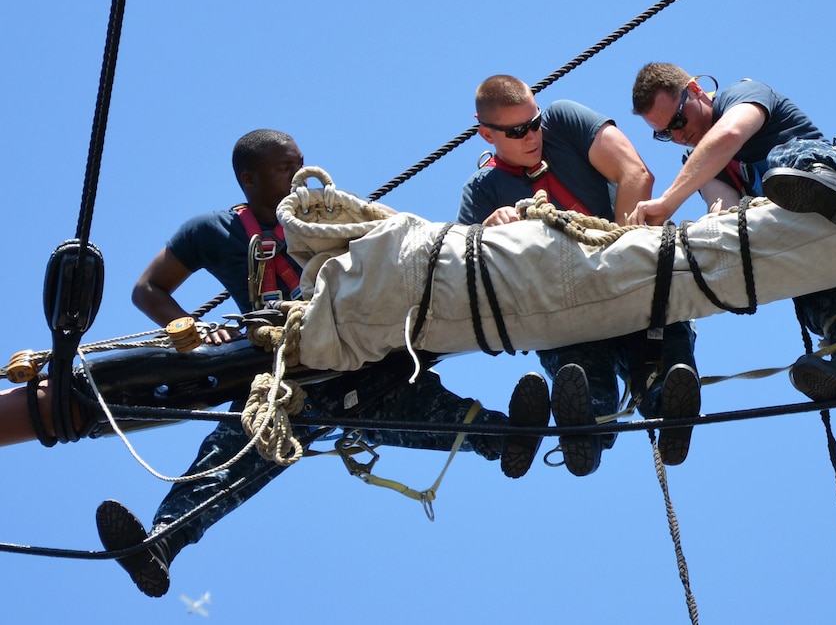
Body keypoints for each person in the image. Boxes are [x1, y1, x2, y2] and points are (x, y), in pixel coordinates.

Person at [98, 129, 529, 598]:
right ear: (249, 178)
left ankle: (520, 438)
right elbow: (148, 289)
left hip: (359, 357)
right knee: (232, 455)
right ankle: (161, 545)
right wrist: (194, 329)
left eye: (301, 162)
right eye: (285, 168)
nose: (299, 175)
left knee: (428, 409)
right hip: (288, 378)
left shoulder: (329, 216)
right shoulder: (212, 232)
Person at [458, 75, 701, 479]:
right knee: (580, 376)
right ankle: (586, 428)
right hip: (566, 311)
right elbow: (470, 280)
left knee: (661, 354)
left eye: (534, 123)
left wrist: (618, 259)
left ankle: (669, 408)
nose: (532, 136)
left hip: (628, 283)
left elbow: (636, 174)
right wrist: (488, 233)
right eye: (517, 132)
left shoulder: (565, 121)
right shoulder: (482, 193)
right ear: (486, 133)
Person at [629, 63, 836, 423]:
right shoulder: (698, 164)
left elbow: (730, 135)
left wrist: (666, 203)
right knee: (832, 304)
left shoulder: (744, 95)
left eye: (677, 121)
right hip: (812, 245)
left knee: (781, 165)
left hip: (834, 185)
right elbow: (723, 210)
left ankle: (823, 186)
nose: (677, 135)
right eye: (663, 134)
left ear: (695, 90)